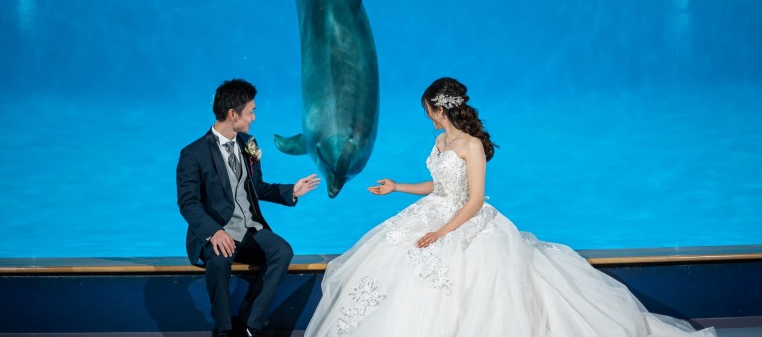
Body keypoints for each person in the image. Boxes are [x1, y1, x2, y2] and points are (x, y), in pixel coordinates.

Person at [305, 77, 717, 336]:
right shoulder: (440, 142)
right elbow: (439, 185)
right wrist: (397, 187)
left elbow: (475, 199)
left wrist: (442, 233)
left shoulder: (470, 146)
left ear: (439, 107)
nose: (427, 117)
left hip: (466, 222)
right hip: (435, 211)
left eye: (428, 110)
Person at [177, 78, 321, 337]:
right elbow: (188, 203)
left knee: (282, 251)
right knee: (219, 261)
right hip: (218, 232)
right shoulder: (193, 153)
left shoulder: (248, 144)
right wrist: (213, 232)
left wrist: (291, 191)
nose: (254, 117)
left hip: (250, 231)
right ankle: (222, 329)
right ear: (232, 114)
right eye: (251, 111)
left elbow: (256, 187)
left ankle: (248, 324)